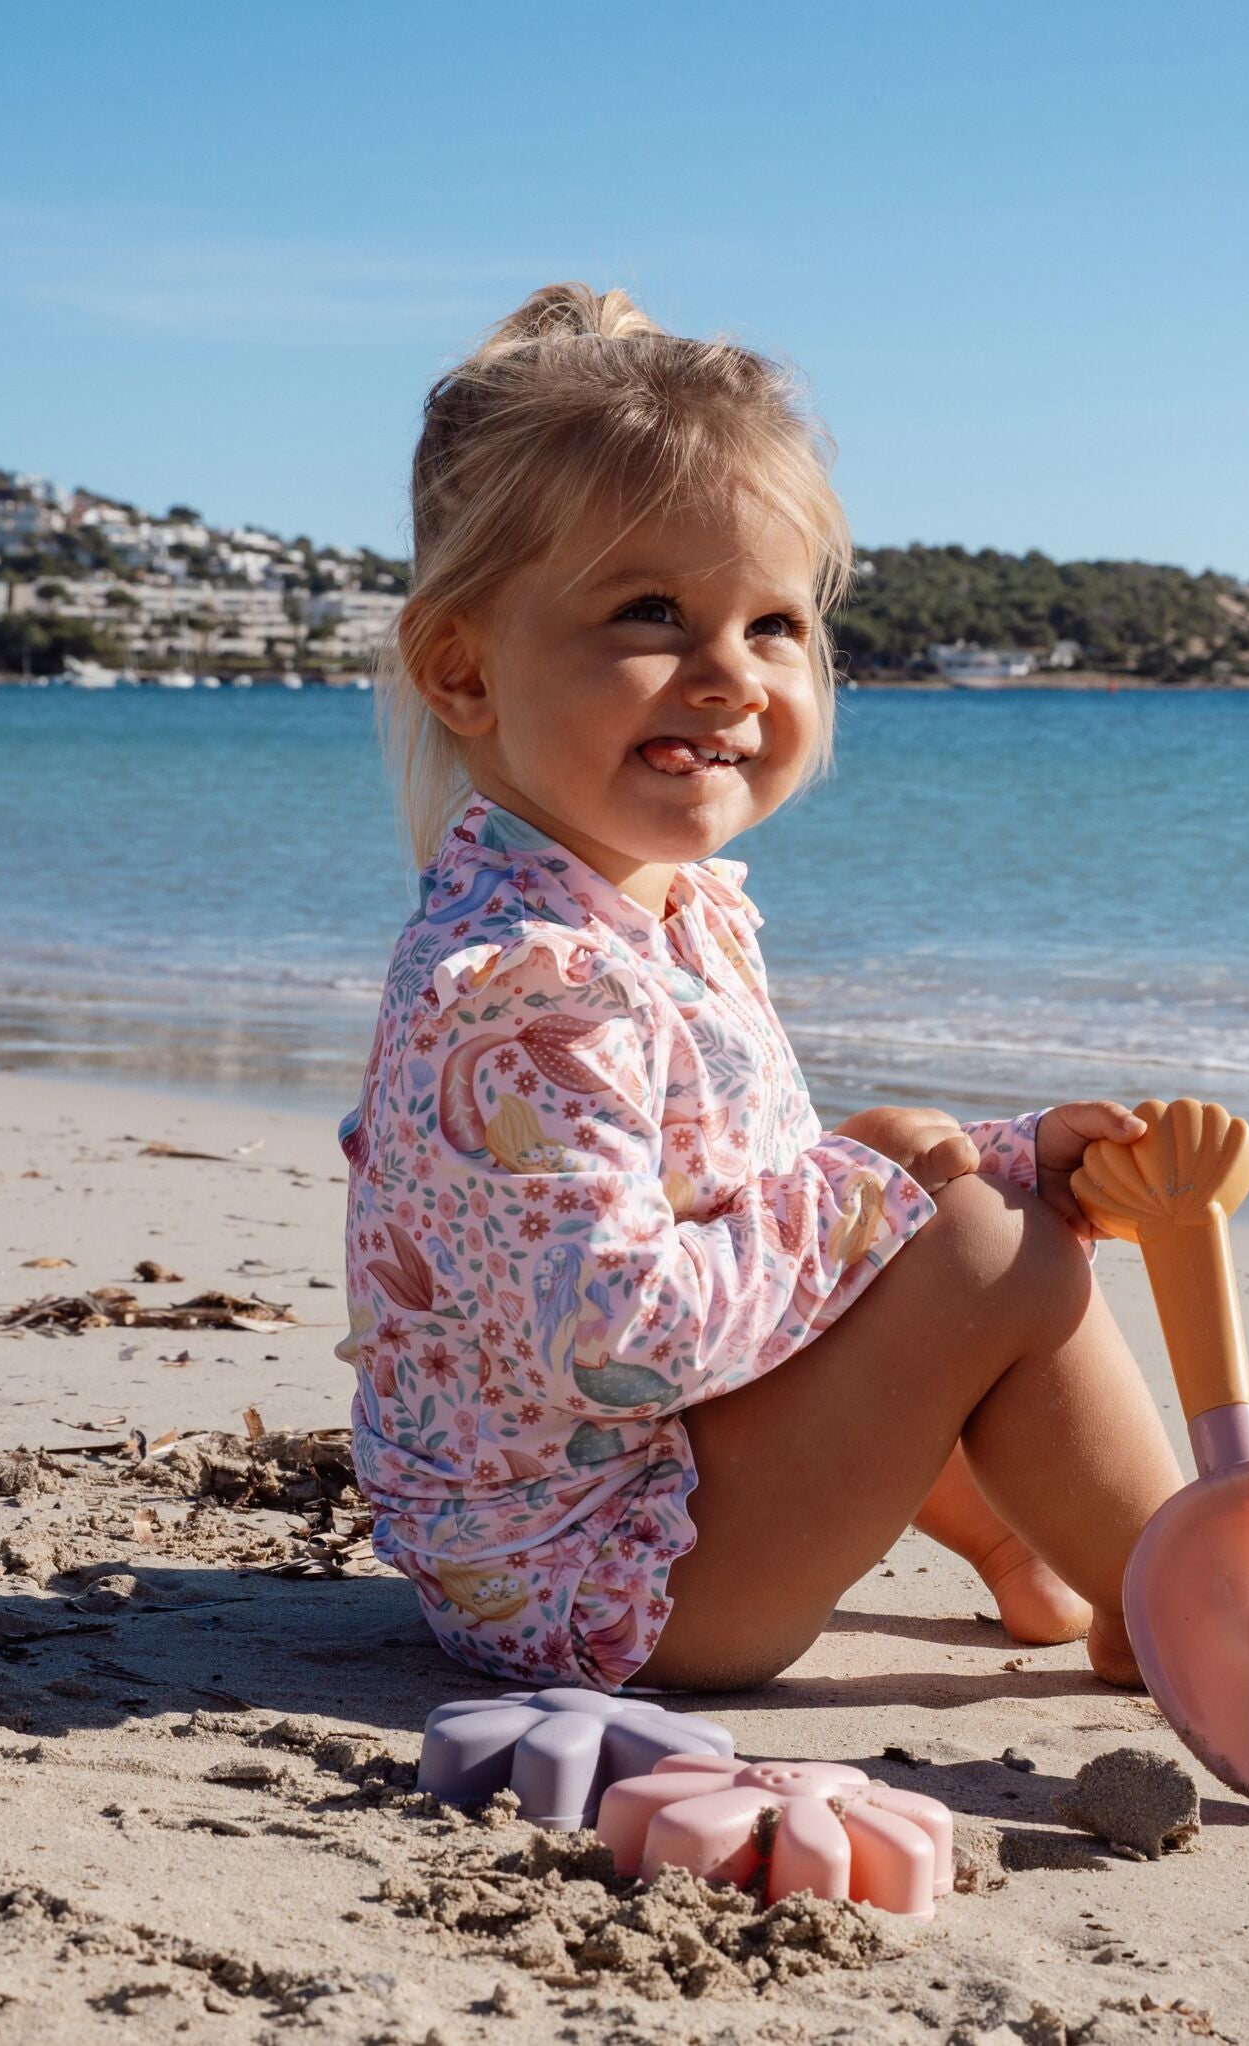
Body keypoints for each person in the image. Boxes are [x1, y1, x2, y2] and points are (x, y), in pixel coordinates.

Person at [340, 283, 1181, 1695]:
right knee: (990, 1252)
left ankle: (1045, 1546)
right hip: (604, 1585)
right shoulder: (533, 996)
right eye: (653, 611)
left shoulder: (664, 913)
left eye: (776, 624)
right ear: (464, 667)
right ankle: (1185, 1591)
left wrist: (971, 1158)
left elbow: (750, 1203)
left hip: (631, 1505)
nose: (731, 676)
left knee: (973, 1213)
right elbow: (621, 1339)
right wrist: (884, 1187)